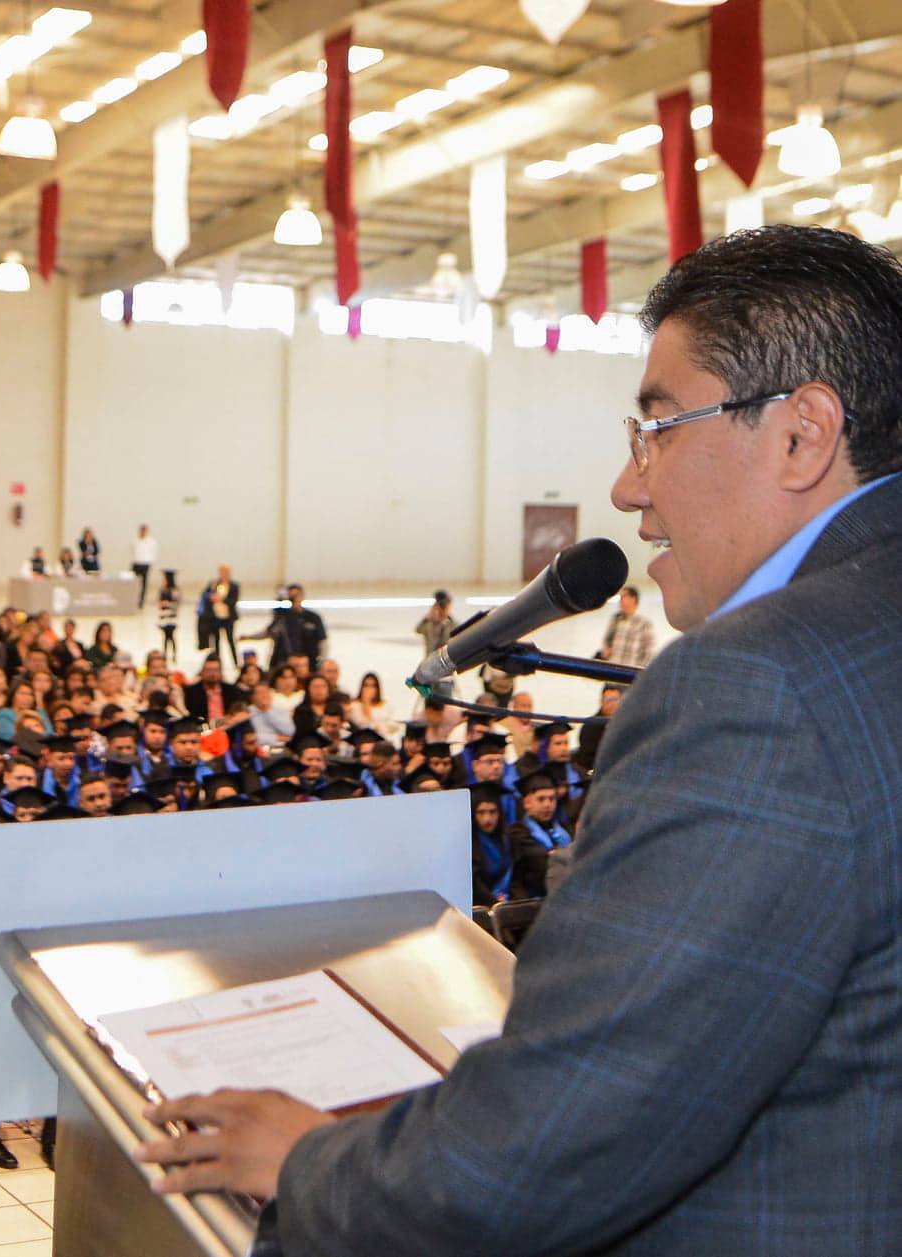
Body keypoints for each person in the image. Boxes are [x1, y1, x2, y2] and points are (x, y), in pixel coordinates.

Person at [136, 225, 902, 1254]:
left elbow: (542, 1158)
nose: (631, 489)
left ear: (803, 435)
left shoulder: (757, 688)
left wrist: (303, 1161)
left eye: (660, 427)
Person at [263, 582, 326, 671]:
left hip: (309, 663)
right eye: (291, 597)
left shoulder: (313, 617)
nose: (294, 599)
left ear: (303, 596)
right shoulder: (283, 617)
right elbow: (269, 632)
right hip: (285, 662)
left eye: (296, 596)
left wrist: (322, 662)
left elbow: (322, 640)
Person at [598, 584, 657, 668]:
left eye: (624, 596)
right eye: (620, 597)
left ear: (633, 599)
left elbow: (649, 652)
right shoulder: (615, 619)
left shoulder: (644, 623)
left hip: (630, 675)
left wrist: (639, 673)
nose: (620, 600)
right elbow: (606, 641)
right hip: (612, 672)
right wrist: (606, 650)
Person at [199, 566, 239, 663]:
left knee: (230, 640)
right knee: (216, 641)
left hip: (228, 618)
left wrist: (222, 599)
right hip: (215, 617)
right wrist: (211, 597)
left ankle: (236, 662)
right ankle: (218, 662)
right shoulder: (214, 584)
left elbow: (233, 601)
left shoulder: (234, 586)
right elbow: (205, 594)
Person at [131, 524, 158, 608]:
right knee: (134, 583)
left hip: (145, 564)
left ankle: (141, 601)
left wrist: (150, 561)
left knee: (143, 584)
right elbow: (132, 551)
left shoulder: (151, 541)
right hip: (136, 563)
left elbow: (154, 552)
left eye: (144, 530)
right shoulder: (135, 540)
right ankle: (133, 600)